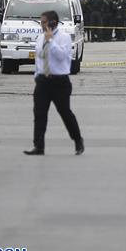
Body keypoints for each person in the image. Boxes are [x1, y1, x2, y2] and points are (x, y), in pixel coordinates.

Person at [24, 10, 84, 156]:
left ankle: (77, 140)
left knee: (65, 112)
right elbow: (39, 58)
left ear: (53, 23)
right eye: (41, 22)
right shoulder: (40, 38)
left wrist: (51, 40)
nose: (41, 25)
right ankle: (38, 146)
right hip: (43, 81)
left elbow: (62, 57)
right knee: (39, 113)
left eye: (44, 22)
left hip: (60, 82)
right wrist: (37, 75)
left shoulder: (64, 38)